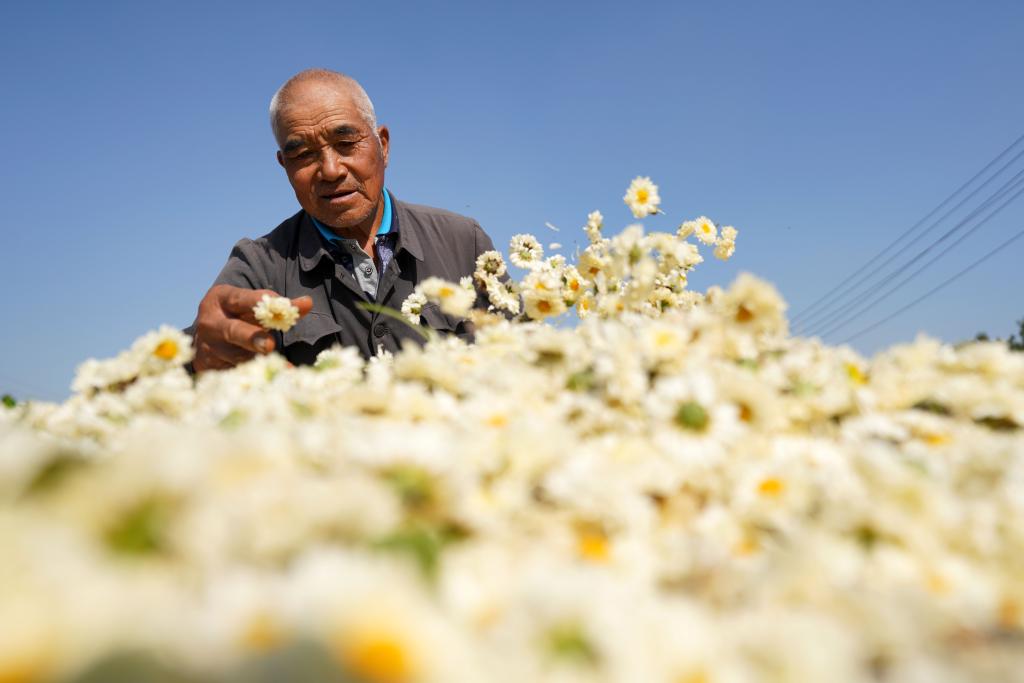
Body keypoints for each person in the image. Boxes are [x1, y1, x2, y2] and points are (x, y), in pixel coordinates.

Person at [189, 69, 499, 372]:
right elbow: (178, 359)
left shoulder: (463, 242)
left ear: (384, 145)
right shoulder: (260, 267)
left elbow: (526, 353)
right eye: (303, 155)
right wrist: (200, 356)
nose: (331, 170)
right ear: (284, 165)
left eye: (346, 143)